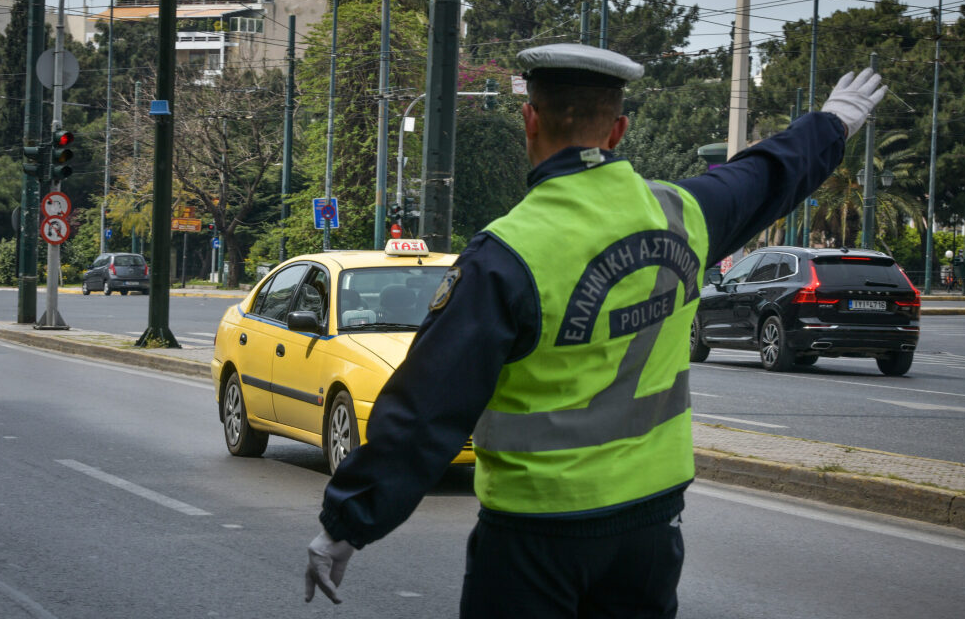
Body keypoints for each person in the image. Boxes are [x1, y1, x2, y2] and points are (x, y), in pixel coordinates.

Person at [304, 43, 886, 617]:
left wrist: (348, 523)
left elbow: (428, 408)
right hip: (650, 527)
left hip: (535, 534)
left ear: (529, 121)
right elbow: (766, 173)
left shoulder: (505, 254)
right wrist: (832, 123)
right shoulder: (683, 214)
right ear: (619, 130)